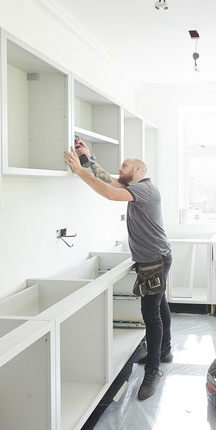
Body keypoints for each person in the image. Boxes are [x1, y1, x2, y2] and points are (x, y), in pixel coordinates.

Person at [64, 147, 172, 401]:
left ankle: (153, 370)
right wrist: (88, 159)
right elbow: (109, 180)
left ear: (138, 169)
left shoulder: (145, 189)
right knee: (160, 304)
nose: (119, 169)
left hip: (154, 261)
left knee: (151, 314)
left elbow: (111, 193)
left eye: (124, 165)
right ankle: (165, 350)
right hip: (154, 258)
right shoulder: (137, 188)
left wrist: (79, 171)